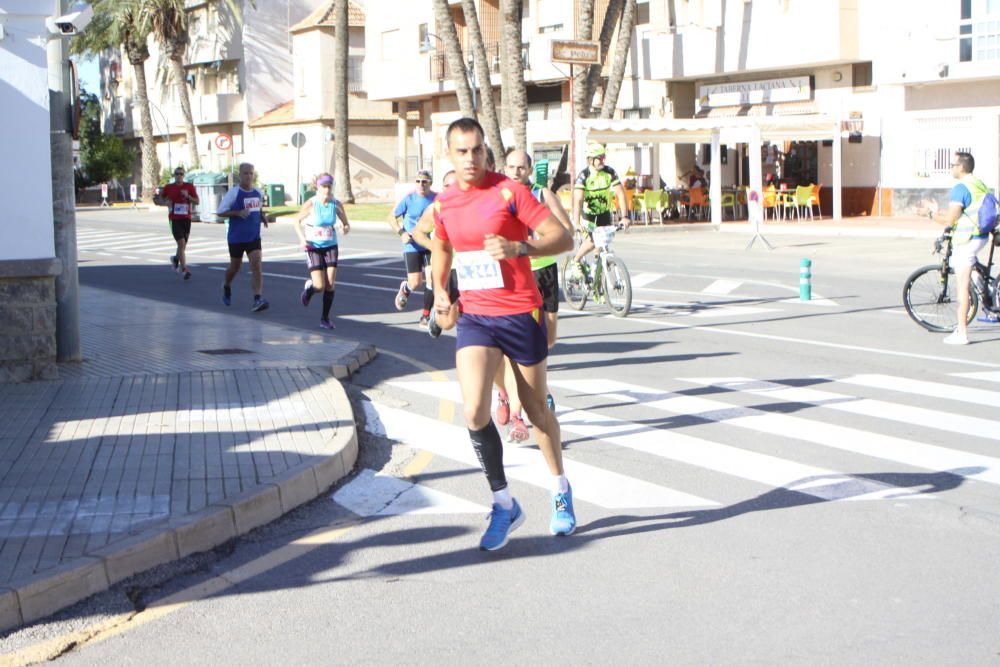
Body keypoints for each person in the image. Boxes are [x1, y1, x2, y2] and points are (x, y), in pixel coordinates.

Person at [430, 117, 575, 550]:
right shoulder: (444, 203)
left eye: (477, 150)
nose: (470, 158)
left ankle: (560, 489)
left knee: (535, 411)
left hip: (519, 313)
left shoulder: (509, 192)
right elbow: (440, 244)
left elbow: (562, 237)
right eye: (462, 151)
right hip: (476, 317)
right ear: (449, 155)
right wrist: (440, 290)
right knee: (475, 412)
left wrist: (521, 248)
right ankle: (503, 503)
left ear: (485, 152)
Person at [501, 147, 573, 442]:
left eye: (521, 167)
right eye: (511, 167)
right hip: (518, 276)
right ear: (505, 169)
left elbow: (565, 228)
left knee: (549, 339)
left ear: (530, 171)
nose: (516, 172)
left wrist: (540, 239)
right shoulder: (500, 197)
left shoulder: (542, 195)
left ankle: (536, 391)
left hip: (545, 272)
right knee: (520, 345)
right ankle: (517, 411)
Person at [925, 151, 995, 345]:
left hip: (967, 239)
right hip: (980, 235)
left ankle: (962, 333)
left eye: (952, 165)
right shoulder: (978, 183)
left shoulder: (960, 187)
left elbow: (950, 219)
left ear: (961, 167)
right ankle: (990, 304)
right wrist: (937, 210)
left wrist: (930, 214)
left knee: (962, 287)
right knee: (974, 272)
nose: (951, 168)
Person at [296, 173, 350, 329]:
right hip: (313, 246)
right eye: (323, 187)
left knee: (330, 284)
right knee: (319, 286)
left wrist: (343, 228)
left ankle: (324, 318)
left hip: (331, 245)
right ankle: (309, 290)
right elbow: (296, 221)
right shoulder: (311, 204)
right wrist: (302, 238)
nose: (326, 190)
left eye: (329, 187)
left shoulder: (336, 204)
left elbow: (346, 225)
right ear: (317, 188)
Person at [217, 162, 269, 312]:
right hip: (236, 237)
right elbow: (220, 212)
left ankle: (257, 299)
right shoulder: (234, 193)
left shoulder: (258, 192)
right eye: (245, 173)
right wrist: (237, 213)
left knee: (256, 265)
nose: (248, 176)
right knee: (235, 267)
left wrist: (262, 216)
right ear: (240, 175)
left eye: (251, 173)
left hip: (253, 236)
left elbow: (257, 209)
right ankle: (226, 285)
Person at [389, 169, 437, 326]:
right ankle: (406, 289)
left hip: (430, 244)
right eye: (418, 181)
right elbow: (391, 217)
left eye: (424, 181)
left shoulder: (437, 198)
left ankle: (426, 316)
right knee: (416, 282)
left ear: (430, 182)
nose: (421, 184)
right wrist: (401, 232)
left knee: (432, 278)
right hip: (412, 245)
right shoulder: (409, 198)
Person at [572, 143, 627, 268]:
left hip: (604, 214)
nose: (603, 161)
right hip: (588, 216)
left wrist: (625, 216)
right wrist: (577, 223)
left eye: (604, 157)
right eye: (599, 158)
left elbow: (620, 194)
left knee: (602, 244)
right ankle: (576, 261)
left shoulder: (609, 172)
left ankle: (596, 271)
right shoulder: (583, 176)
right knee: (592, 241)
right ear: (591, 160)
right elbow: (578, 200)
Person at [157, 166, 199, 280]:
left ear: (183, 175)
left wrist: (188, 196)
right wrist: (165, 203)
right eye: (177, 174)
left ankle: (176, 259)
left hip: (186, 218)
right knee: (181, 243)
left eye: (181, 174)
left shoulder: (189, 187)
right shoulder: (169, 187)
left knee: (183, 244)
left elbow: (197, 201)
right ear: (174, 175)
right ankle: (184, 269)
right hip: (174, 219)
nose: (179, 176)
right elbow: (159, 199)